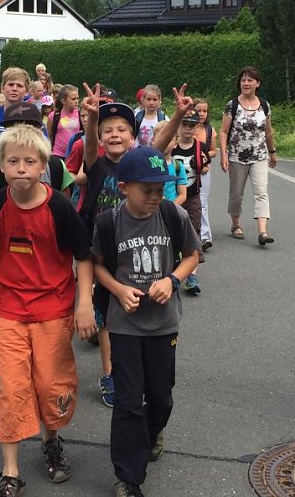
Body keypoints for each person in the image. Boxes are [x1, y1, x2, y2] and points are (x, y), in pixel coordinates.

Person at [0, 124, 96, 497]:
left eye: (29, 162)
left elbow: (84, 257)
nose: (20, 168)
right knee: (14, 389)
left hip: (54, 308)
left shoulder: (59, 207)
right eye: (12, 161)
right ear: (1, 167)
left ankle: (51, 440)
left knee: (51, 384)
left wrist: (85, 304)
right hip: (11, 310)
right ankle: (10, 472)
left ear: (42, 167)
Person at [91, 146, 200, 497]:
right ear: (124, 187)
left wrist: (172, 280)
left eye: (159, 190)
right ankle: (128, 476)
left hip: (163, 325)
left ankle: (154, 432)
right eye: (147, 191)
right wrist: (118, 290)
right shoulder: (109, 222)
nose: (155, 198)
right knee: (127, 401)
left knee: (160, 396)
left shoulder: (172, 214)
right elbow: (97, 264)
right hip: (124, 325)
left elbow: (192, 256)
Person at [80, 83, 192, 409]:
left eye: (122, 129)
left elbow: (158, 143)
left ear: (133, 137)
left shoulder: (140, 164)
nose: (114, 134)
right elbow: (88, 146)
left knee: (136, 311)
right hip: (105, 250)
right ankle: (110, 373)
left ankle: (137, 367)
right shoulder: (97, 165)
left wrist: (180, 115)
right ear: (101, 139)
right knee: (105, 317)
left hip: (139, 247)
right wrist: (89, 121)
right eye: (107, 130)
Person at [219, 66, 277, 245]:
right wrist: (224, 154)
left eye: (250, 80)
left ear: (257, 83)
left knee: (261, 192)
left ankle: (263, 232)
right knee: (236, 194)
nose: (246, 83)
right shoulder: (232, 105)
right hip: (237, 156)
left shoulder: (264, 105)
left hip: (259, 155)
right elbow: (223, 131)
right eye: (243, 80)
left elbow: (268, 132)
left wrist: (272, 152)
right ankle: (236, 224)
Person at [0, 101, 74, 198]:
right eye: (13, 128)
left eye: (29, 128)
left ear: (41, 131)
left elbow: (65, 204)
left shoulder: (55, 165)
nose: (22, 133)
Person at [171, 109, 209, 294]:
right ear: (178, 125)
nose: (187, 128)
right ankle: (174, 270)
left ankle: (192, 276)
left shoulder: (200, 147)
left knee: (193, 232)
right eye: (184, 124)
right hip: (172, 198)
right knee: (171, 234)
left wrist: (202, 167)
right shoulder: (171, 146)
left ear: (197, 127)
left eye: (191, 125)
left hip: (193, 196)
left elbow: (206, 167)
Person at [192, 98, 217, 251]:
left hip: (204, 170)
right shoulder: (186, 127)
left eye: (204, 111)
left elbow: (214, 150)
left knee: (203, 202)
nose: (202, 114)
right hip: (188, 170)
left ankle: (205, 236)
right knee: (190, 201)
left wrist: (204, 156)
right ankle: (191, 233)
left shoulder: (209, 130)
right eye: (199, 110)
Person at [0, 67, 30, 146]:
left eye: (19, 85)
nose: (14, 89)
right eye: (10, 84)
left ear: (26, 91)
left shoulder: (33, 116)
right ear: (2, 88)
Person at [152, 121, 187, 206]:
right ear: (153, 140)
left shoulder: (178, 166)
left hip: (172, 210)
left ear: (175, 144)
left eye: (169, 139)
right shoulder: (148, 163)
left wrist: (170, 208)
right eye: (161, 137)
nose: (165, 142)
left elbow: (182, 195)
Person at [48, 84, 82, 159]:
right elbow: (49, 137)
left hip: (75, 155)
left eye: (77, 98)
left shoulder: (81, 115)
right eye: (73, 99)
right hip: (57, 155)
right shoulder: (54, 116)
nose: (76, 101)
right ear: (63, 101)